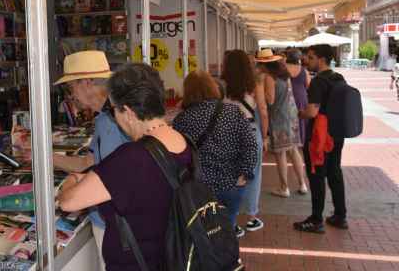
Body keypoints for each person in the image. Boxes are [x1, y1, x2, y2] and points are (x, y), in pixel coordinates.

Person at [58, 63, 190, 271]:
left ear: (127, 112)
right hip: (173, 256)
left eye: (115, 110)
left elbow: (68, 202)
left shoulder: (131, 158)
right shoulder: (182, 141)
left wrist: (73, 179)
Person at [52, 50, 129, 271]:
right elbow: (89, 162)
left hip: (116, 225)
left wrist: (73, 189)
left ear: (86, 82)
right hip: (107, 221)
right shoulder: (104, 117)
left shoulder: (117, 119)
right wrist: (44, 157)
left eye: (71, 87)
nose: (70, 95)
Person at [172, 71, 258, 238]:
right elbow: (250, 145)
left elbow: (178, 156)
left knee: (206, 233)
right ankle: (229, 259)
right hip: (233, 183)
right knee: (228, 228)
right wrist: (245, 174)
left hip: (201, 188)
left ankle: (211, 261)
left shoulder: (182, 120)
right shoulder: (232, 111)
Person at [294, 44, 348, 233]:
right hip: (336, 133)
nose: (305, 61)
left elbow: (312, 111)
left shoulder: (318, 82)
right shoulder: (339, 78)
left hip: (319, 136)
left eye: (310, 57)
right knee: (334, 173)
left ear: (321, 59)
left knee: (316, 175)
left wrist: (301, 114)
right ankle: (340, 216)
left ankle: (316, 220)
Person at [222, 50, 265, 233]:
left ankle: (230, 219)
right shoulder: (254, 83)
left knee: (229, 174)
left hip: (226, 131)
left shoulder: (221, 84)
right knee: (252, 174)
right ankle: (252, 217)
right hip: (249, 130)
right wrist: (266, 135)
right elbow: (262, 110)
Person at [256, 49, 308, 198]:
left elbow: (270, 100)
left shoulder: (268, 77)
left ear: (263, 64)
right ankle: (302, 184)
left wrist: (259, 94)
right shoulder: (285, 74)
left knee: (280, 154)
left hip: (279, 118)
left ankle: (284, 187)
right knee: (294, 150)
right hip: (291, 115)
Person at [286, 49, 311, 143]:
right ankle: (300, 139)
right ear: (299, 58)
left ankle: (290, 140)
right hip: (301, 97)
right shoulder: (304, 71)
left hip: (287, 96)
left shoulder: (283, 68)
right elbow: (309, 85)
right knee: (301, 119)